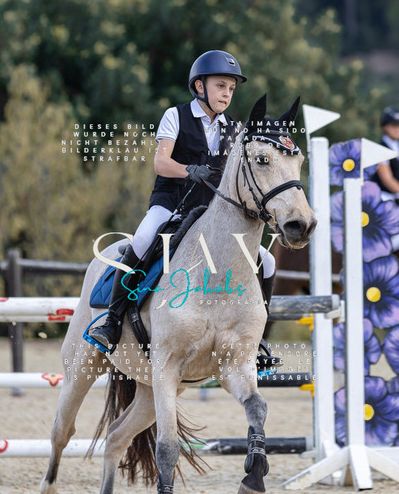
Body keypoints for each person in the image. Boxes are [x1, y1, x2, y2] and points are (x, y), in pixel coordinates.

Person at [90, 50, 277, 359]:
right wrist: (188, 170)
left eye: (231, 88)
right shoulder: (176, 116)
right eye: (220, 86)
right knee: (142, 239)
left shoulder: (234, 128)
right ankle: (112, 320)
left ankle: (257, 339)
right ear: (200, 86)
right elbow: (161, 163)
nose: (227, 94)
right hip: (171, 204)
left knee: (267, 262)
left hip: (212, 213)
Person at [371, 106, 399, 203]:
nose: (397, 129)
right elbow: (387, 179)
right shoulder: (381, 149)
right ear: (385, 127)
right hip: (385, 198)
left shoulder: (397, 145)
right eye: (394, 125)